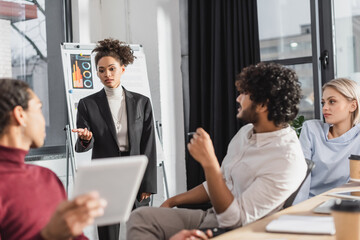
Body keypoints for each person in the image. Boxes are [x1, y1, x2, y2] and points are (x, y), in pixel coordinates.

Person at [126, 62, 307, 239]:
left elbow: (234, 220)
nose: (238, 98)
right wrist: (173, 201)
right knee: (140, 217)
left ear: (262, 105)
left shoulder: (287, 160)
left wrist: (209, 162)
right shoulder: (246, 133)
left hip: (237, 231)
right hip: (212, 218)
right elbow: (219, 182)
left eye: (244, 93)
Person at [0, 78, 107, 240]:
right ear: (20, 115)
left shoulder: (47, 178)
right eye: (39, 109)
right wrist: (48, 236)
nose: (44, 120)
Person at [72, 38, 157, 240]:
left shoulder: (141, 103)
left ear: (122, 69)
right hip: (106, 173)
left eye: (111, 69)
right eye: (101, 70)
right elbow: (82, 146)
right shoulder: (87, 104)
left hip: (135, 169)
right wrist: (86, 138)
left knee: (141, 230)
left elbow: (149, 144)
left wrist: (148, 183)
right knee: (108, 233)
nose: (107, 75)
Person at [293, 78, 360, 204]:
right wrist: (298, 210)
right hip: (310, 205)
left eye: (332, 102)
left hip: (346, 208)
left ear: (353, 106)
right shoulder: (311, 130)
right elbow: (301, 178)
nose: (325, 108)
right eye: (323, 102)